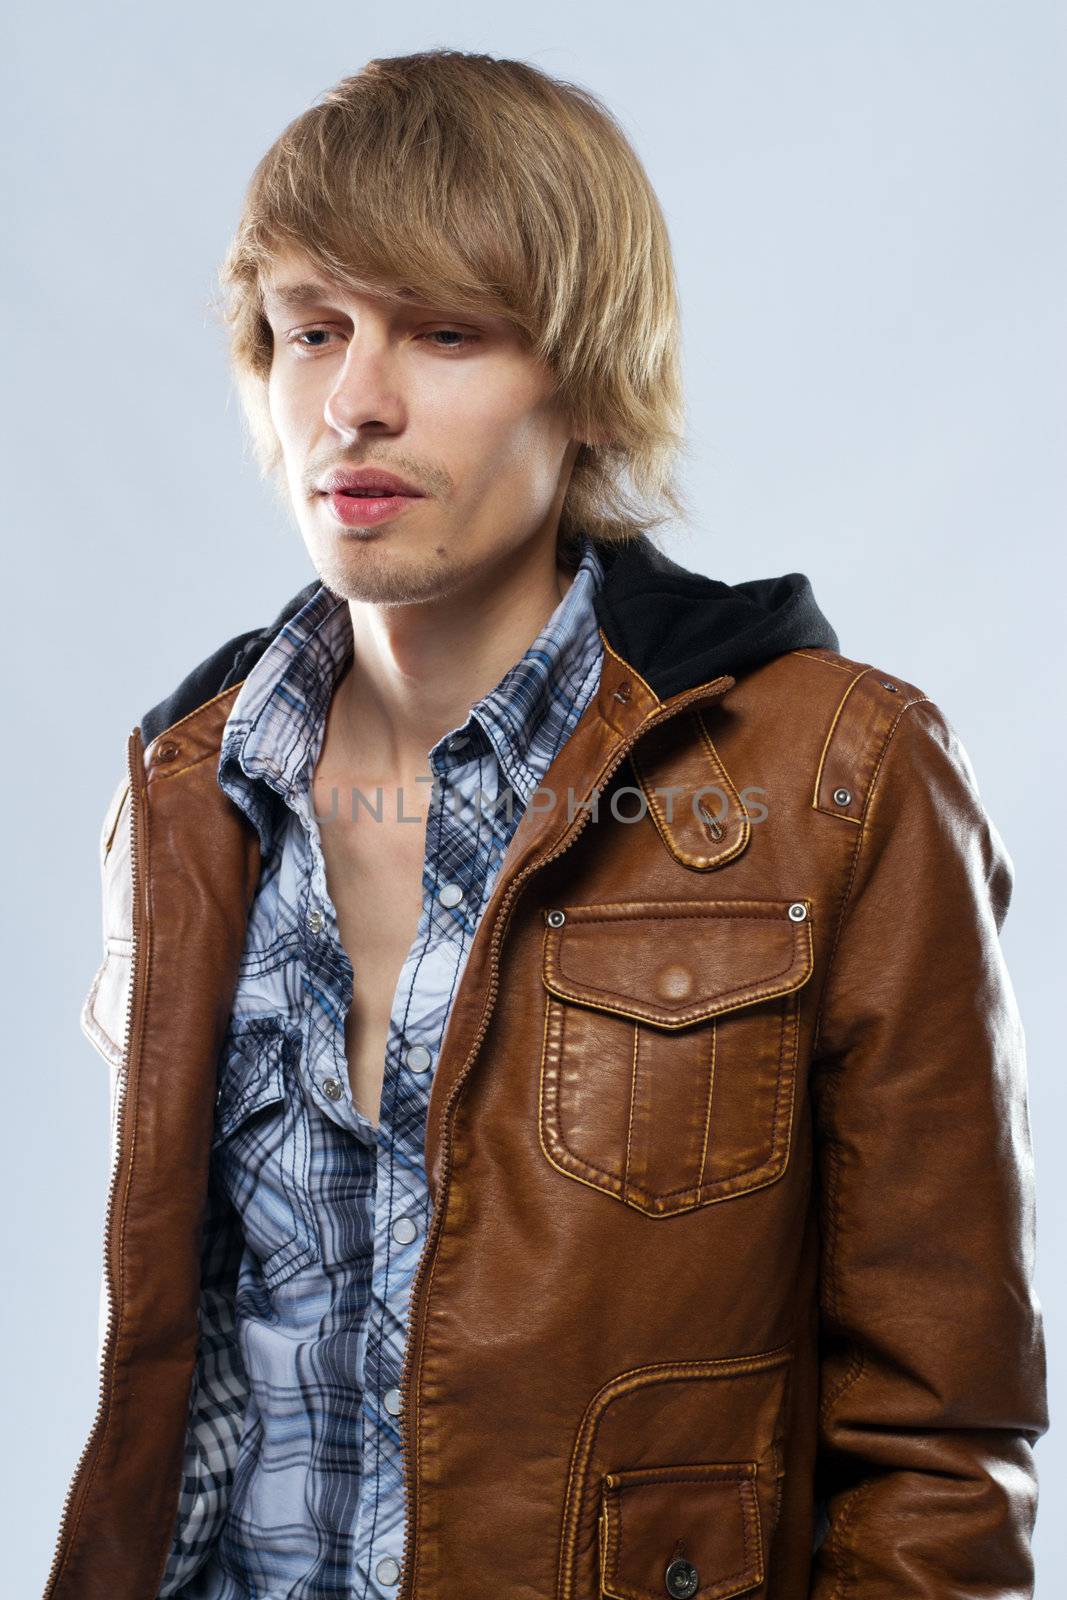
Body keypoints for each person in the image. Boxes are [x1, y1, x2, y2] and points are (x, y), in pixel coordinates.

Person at [45, 48, 1047, 1600]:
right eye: (312, 330)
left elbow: (939, 1450)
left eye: (444, 334)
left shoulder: (838, 773)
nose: (354, 403)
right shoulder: (190, 793)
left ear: (581, 375)